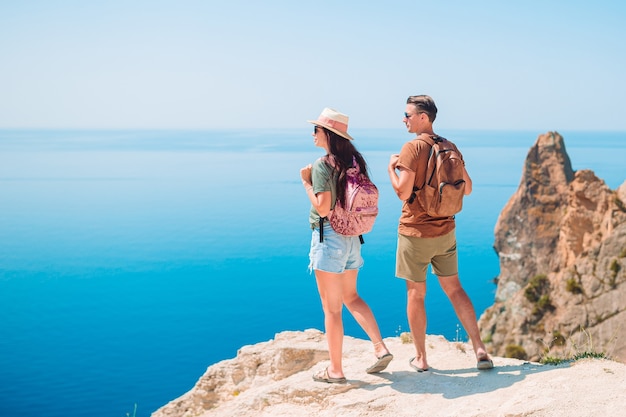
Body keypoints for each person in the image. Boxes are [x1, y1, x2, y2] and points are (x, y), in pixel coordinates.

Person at [387, 95, 493, 371]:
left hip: (415, 233)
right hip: (446, 230)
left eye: (408, 115)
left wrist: (391, 169)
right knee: (455, 289)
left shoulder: (412, 147)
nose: (404, 119)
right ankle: (480, 349)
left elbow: (402, 193)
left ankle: (421, 359)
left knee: (415, 294)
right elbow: (467, 188)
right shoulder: (450, 146)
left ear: (424, 117)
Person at [300, 107, 393, 383]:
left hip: (329, 238)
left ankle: (336, 371)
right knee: (352, 296)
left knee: (331, 309)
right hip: (353, 238)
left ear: (327, 133)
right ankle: (380, 347)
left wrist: (306, 182)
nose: (313, 134)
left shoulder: (322, 165)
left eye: (316, 129)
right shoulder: (354, 161)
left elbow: (324, 207)